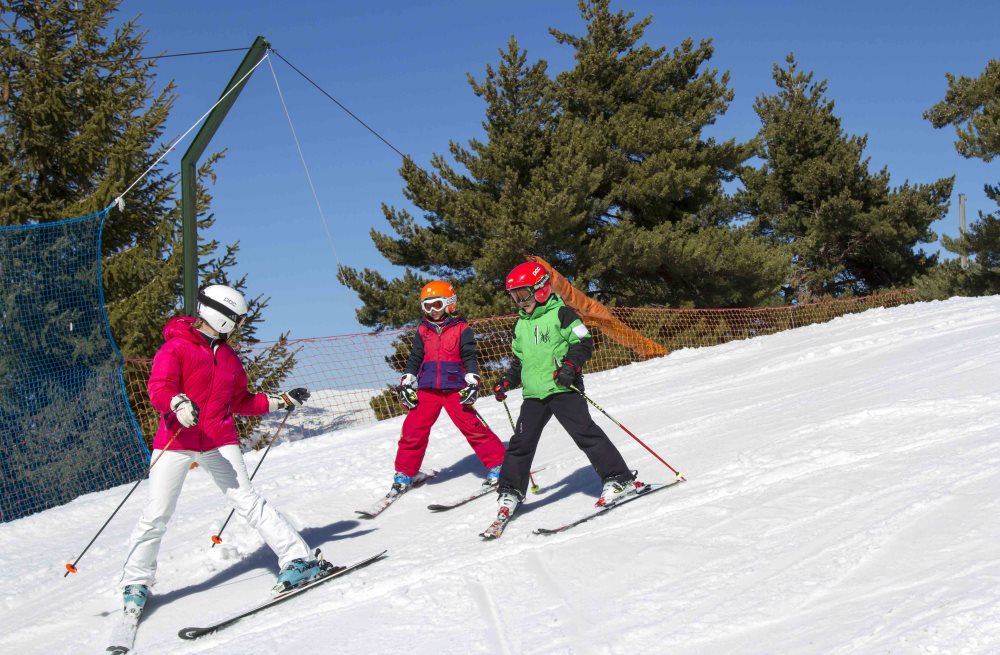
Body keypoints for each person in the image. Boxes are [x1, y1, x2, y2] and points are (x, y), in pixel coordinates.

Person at [118, 284, 324, 622]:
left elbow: (241, 401)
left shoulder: (228, 358)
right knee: (156, 514)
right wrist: (177, 403)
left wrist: (281, 401)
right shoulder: (176, 348)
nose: (239, 325)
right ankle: (136, 583)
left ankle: (298, 559)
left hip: (217, 439)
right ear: (222, 316)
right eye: (237, 319)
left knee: (248, 501)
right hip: (177, 440)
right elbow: (159, 388)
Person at [490, 262, 641, 522]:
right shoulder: (520, 325)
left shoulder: (563, 314)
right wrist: (506, 381)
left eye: (522, 294)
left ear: (540, 290)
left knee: (585, 434)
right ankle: (510, 490)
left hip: (563, 387)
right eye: (514, 296)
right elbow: (518, 361)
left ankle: (619, 478)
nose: (518, 301)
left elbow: (583, 342)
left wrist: (571, 366)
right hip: (534, 395)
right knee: (520, 444)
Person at [390, 280, 506, 496]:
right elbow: (415, 358)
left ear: (450, 304)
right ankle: (405, 473)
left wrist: (472, 379)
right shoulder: (423, 330)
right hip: (427, 389)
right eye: (427, 306)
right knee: (413, 429)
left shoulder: (462, 329)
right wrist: (408, 378)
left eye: (437, 304)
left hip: (455, 388)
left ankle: (499, 465)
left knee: (472, 427)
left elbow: (469, 356)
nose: (432, 310)